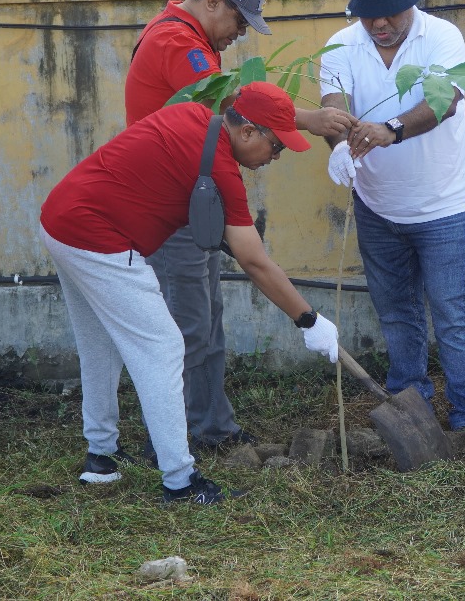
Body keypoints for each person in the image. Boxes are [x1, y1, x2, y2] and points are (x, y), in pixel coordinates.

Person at [40, 82, 341, 503]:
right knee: (163, 347)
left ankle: (101, 460)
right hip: (97, 237)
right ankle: (180, 482)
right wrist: (309, 320)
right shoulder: (220, 168)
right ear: (248, 132)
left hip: (60, 217)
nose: (276, 157)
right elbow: (254, 261)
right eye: (276, 146)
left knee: (99, 344)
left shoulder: (194, 116)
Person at [124, 0, 355, 450]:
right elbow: (231, 102)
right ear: (213, 1)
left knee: (204, 320)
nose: (239, 36)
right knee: (186, 329)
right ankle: (171, 441)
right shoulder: (179, 44)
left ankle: (212, 428)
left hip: (189, 197)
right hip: (169, 205)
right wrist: (308, 119)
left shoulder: (186, 34)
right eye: (239, 22)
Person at [320, 0, 465, 445]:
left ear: (409, 4)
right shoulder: (340, 45)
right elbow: (333, 106)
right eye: (369, 16)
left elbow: (445, 101)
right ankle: (410, 405)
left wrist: (391, 130)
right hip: (376, 204)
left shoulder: (442, 37)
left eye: (390, 14)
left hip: (441, 203)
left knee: (451, 309)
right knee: (395, 311)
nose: (380, 25)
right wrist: (336, 147)